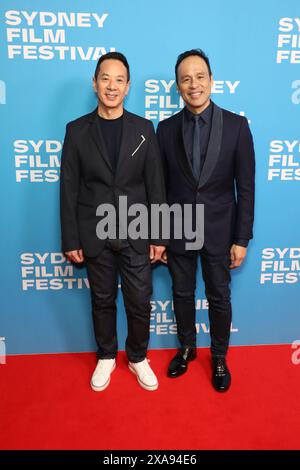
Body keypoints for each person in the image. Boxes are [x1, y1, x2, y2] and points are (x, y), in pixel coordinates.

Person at [60, 52, 166, 392]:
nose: (112, 86)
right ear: (94, 83)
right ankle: (106, 355)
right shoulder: (76, 131)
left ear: (128, 86)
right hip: (94, 233)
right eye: (105, 78)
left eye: (119, 79)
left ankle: (137, 357)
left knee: (139, 300)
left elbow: (155, 185)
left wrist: (160, 234)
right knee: (102, 300)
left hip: (136, 231)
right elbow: (69, 188)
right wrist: (71, 239)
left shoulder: (143, 129)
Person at [157, 49, 255, 392]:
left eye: (200, 76)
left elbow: (245, 187)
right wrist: (161, 235)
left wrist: (241, 238)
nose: (193, 84)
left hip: (219, 230)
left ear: (212, 80)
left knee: (219, 297)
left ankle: (218, 357)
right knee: (181, 294)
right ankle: (186, 349)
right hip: (179, 229)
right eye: (186, 78)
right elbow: (161, 188)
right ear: (178, 86)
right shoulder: (165, 129)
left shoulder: (237, 126)